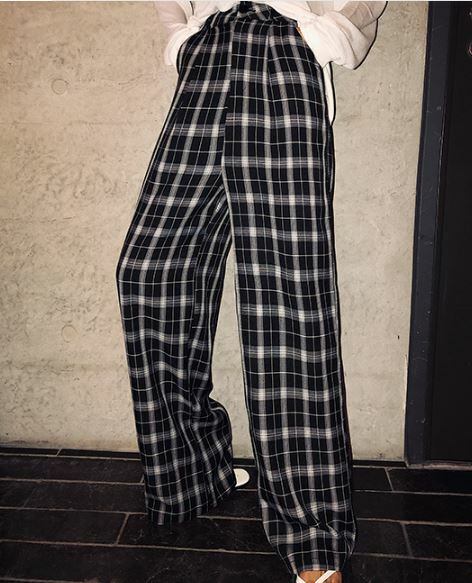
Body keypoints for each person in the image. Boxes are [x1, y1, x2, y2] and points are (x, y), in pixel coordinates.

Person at [115, 2, 387, 582]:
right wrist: (183, 40)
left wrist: (320, 36)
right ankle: (192, 472)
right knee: (151, 272)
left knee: (287, 298)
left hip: (283, 54)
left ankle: (313, 534)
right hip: (207, 59)